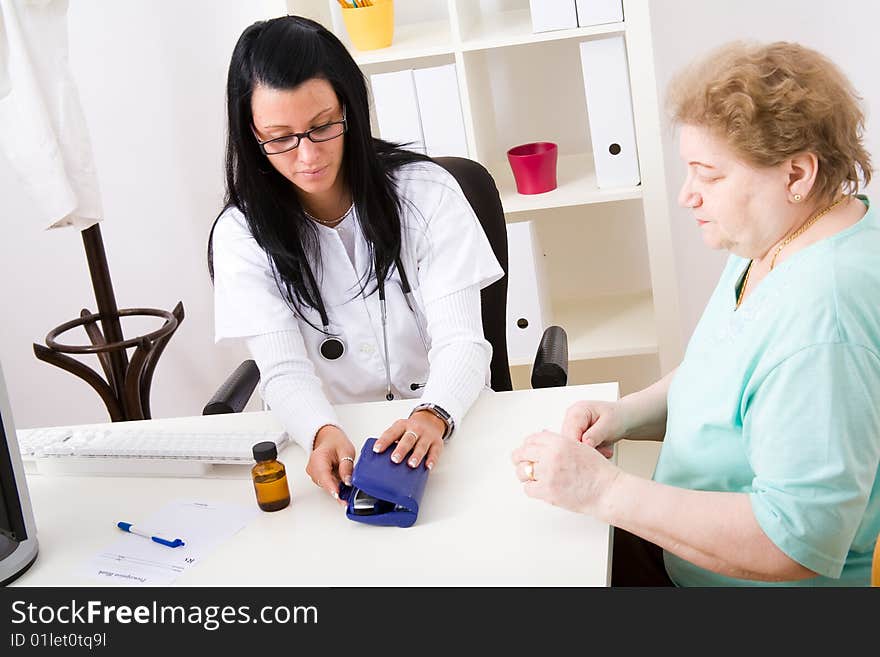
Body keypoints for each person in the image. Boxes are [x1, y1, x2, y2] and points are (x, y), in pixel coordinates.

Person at [512, 40, 880, 586]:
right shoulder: (780, 236)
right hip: (681, 545)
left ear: (797, 175)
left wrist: (604, 490)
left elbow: (794, 543)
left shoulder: (826, 320)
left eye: (709, 175)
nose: (688, 196)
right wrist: (627, 413)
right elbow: (732, 374)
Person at [211, 16, 502, 504]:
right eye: (280, 137)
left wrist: (433, 414)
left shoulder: (427, 193)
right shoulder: (242, 234)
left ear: (350, 108)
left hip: (451, 423)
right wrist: (319, 430)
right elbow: (283, 370)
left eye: (322, 126)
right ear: (251, 136)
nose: (307, 156)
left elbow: (463, 342)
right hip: (338, 443)